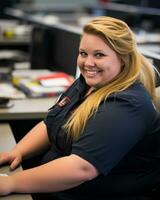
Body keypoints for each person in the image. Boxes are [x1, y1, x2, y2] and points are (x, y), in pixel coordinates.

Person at [0, 16, 160, 200]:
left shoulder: (128, 104)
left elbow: (81, 169)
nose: (88, 63)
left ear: (123, 58)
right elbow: (50, 123)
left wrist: (10, 183)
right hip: (55, 188)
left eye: (99, 55)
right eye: (83, 53)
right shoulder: (87, 83)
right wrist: (17, 151)